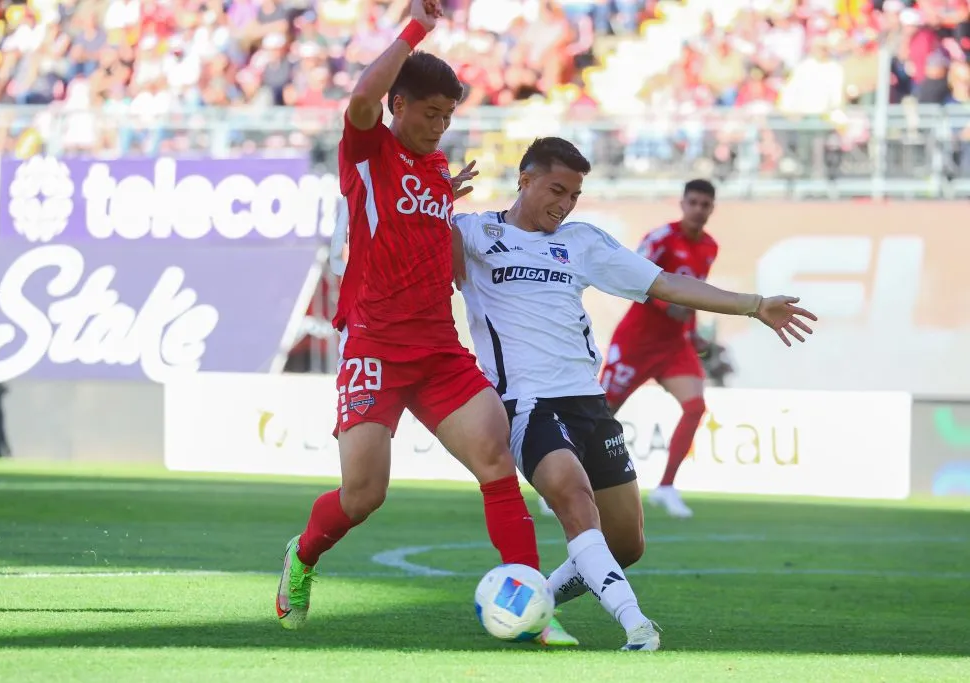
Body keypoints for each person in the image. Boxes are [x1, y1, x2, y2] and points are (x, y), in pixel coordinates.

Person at [276, 1, 575, 647]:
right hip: (376, 346)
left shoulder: (437, 169)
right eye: (430, 113)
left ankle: (535, 610)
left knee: (496, 460)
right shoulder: (366, 149)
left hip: (438, 348)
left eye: (448, 115)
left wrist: (445, 203)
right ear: (399, 105)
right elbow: (359, 96)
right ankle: (301, 557)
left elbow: (428, 232)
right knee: (363, 494)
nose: (439, 127)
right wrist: (415, 26)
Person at [451, 137, 816, 651]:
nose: (565, 203)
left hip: (589, 403)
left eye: (575, 194)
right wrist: (431, 207)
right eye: (557, 189)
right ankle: (636, 625)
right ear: (524, 180)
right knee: (574, 499)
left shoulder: (581, 241)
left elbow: (665, 283)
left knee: (625, 543)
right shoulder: (472, 233)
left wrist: (754, 305)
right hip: (527, 405)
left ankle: (531, 602)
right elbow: (406, 256)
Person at [599, 179, 720, 518]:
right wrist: (669, 309)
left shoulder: (709, 247)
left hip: (673, 344)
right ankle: (563, 483)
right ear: (682, 204)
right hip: (637, 341)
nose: (698, 209)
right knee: (600, 415)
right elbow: (633, 279)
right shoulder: (660, 239)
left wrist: (693, 333)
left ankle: (666, 487)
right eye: (693, 202)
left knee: (695, 406)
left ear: (711, 209)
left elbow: (694, 294)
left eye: (705, 204)